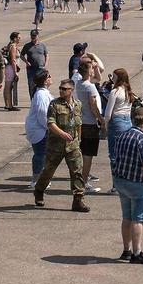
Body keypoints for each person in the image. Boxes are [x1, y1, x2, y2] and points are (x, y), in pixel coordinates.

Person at [34, 79, 90, 212]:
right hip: (56, 146)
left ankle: (78, 200)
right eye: (60, 88)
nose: (61, 90)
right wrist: (62, 134)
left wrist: (79, 139)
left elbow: (78, 123)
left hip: (73, 146)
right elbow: (50, 123)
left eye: (64, 89)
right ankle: (39, 190)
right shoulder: (54, 104)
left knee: (77, 173)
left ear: (71, 90)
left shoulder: (77, 104)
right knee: (48, 171)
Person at [75, 61, 106, 193]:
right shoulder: (90, 87)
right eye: (92, 69)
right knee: (88, 155)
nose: (93, 70)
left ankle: (80, 180)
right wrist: (102, 120)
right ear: (88, 72)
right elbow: (93, 106)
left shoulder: (79, 84)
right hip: (90, 123)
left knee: (82, 154)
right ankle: (84, 182)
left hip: (81, 122)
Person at [25, 70, 54, 189]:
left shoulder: (42, 93)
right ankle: (36, 180)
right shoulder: (41, 95)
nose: (51, 78)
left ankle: (40, 178)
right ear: (45, 80)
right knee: (40, 154)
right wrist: (49, 127)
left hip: (40, 128)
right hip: (40, 129)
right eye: (49, 76)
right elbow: (42, 113)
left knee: (43, 154)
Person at [20, 29, 48, 99]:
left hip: (41, 68)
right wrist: (26, 62)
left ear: (38, 36)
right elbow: (21, 55)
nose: (33, 38)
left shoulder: (42, 45)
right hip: (31, 69)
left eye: (35, 36)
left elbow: (46, 55)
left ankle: (40, 99)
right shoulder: (27, 46)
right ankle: (32, 100)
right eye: (32, 36)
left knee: (41, 85)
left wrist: (46, 64)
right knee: (31, 85)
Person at [3, 32, 21, 111]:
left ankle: (7, 104)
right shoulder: (13, 47)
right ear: (14, 38)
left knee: (7, 86)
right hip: (11, 68)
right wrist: (15, 71)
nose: (20, 39)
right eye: (19, 38)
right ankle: (10, 105)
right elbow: (13, 60)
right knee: (9, 87)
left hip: (8, 68)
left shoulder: (10, 45)